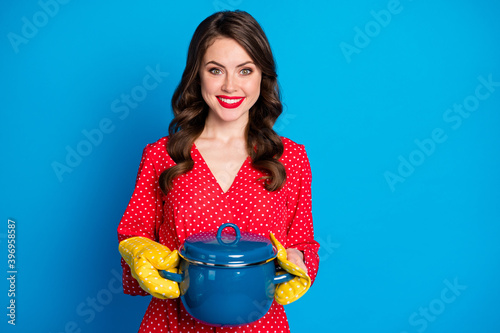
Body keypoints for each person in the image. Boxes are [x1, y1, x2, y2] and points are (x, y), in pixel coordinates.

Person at [117, 10, 320, 333]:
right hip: (173, 322)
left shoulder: (291, 159)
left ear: (262, 77)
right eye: (216, 70)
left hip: (260, 325)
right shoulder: (161, 155)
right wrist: (140, 254)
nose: (230, 86)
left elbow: (303, 243)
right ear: (197, 75)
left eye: (245, 70)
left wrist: (299, 261)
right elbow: (133, 234)